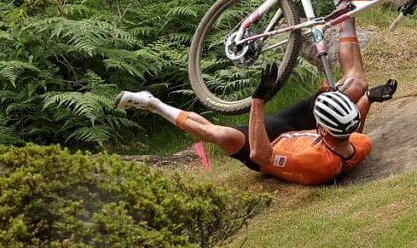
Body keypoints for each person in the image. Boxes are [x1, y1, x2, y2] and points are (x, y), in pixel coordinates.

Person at [115, 18, 397, 185]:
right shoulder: (358, 143)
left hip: (269, 147)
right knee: (358, 84)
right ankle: (346, 16)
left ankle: (152, 103)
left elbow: (260, 157)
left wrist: (258, 101)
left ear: (322, 128)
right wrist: (368, 99)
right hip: (302, 133)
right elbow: (352, 132)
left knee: (219, 134)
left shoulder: (315, 162)